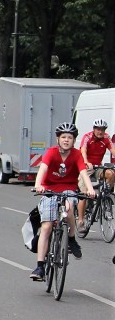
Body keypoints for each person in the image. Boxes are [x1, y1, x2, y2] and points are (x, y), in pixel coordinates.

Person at [31, 123, 92, 280]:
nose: (66, 140)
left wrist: (90, 189)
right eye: (63, 137)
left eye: (70, 137)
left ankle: (71, 238)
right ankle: (40, 266)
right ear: (58, 139)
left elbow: (83, 173)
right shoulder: (51, 152)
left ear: (74, 140)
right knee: (46, 226)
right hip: (49, 189)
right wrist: (38, 185)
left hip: (68, 189)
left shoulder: (76, 154)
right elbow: (43, 169)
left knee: (69, 207)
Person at [77, 119, 113, 229]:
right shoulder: (87, 137)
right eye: (98, 129)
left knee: (111, 174)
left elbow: (113, 149)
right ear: (93, 129)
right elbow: (83, 150)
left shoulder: (106, 138)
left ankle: (105, 194)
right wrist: (86, 161)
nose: (100, 132)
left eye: (102, 129)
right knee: (84, 194)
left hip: (98, 167)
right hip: (85, 167)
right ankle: (80, 220)